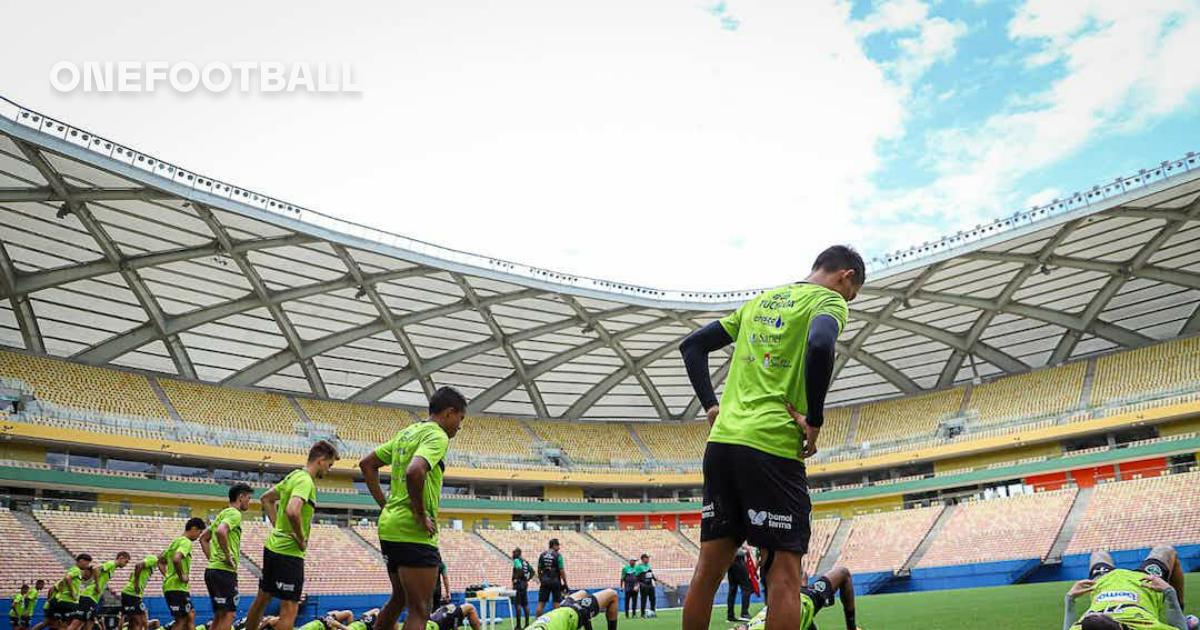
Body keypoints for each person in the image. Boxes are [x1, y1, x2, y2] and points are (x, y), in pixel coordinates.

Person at [678, 245, 861, 630]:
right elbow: (821, 344)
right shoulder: (828, 301)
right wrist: (815, 418)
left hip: (723, 445)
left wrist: (711, 405)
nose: (848, 301)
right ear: (845, 276)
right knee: (785, 577)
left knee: (707, 573)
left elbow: (692, 346)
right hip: (772, 448)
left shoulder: (760, 302)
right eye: (852, 293)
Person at [358, 386, 466, 630]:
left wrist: (385, 506)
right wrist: (420, 513)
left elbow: (367, 464)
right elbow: (414, 471)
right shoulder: (436, 435)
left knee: (398, 600)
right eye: (460, 419)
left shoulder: (406, 433)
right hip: (412, 531)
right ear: (450, 413)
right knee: (420, 609)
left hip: (390, 526)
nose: (459, 427)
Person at [244, 440, 340, 630]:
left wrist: (278, 528)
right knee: (289, 608)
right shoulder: (305, 481)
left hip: (272, 548)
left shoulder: (294, 476)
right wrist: (301, 538)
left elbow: (266, 498)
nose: (328, 470)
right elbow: (292, 510)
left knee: (262, 599)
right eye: (329, 465)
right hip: (289, 554)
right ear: (320, 461)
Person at [1063, 545, 1188, 630]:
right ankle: (1183, 613)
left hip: (1104, 582)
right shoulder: (1146, 627)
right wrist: (1169, 591)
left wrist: (1070, 599)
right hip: (1144, 583)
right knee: (1167, 550)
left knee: (1098, 554)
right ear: (1121, 626)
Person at [200, 483, 254, 630]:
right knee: (229, 615)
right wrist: (227, 555)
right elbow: (221, 532)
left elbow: (203, 538)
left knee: (219, 615)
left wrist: (213, 559)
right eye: (249, 498)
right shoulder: (234, 513)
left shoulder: (221, 514)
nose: (250, 501)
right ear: (241, 497)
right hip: (224, 572)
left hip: (213, 570)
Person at [735, 567, 858, 630]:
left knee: (802, 575)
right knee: (843, 573)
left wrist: (744, 626)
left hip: (790, 603)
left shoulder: (751, 625)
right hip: (802, 602)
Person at [159, 517, 206, 630]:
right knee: (182, 620)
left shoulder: (176, 542)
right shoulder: (186, 542)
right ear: (194, 529)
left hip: (172, 587)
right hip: (177, 588)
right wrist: (181, 576)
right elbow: (176, 558)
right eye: (199, 533)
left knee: (190, 615)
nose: (198, 536)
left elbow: (160, 560)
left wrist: (167, 575)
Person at [80, 553, 131, 630]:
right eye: (126, 561)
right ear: (121, 558)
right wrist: (97, 586)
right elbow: (95, 568)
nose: (126, 564)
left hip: (94, 598)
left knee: (90, 623)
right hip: (89, 595)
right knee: (78, 623)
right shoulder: (111, 564)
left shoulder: (112, 567)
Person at [526, 590, 617, 630]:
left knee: (583, 592)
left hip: (565, 609)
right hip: (570, 611)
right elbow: (584, 613)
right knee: (613, 595)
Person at [49, 554, 94, 630]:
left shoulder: (72, 569)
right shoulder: (76, 570)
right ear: (81, 561)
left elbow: (60, 584)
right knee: (76, 624)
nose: (87, 566)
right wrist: (72, 592)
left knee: (62, 625)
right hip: (69, 601)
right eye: (87, 563)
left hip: (63, 600)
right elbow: (68, 578)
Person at [120, 554, 159, 630]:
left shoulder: (152, 566)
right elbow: (138, 565)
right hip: (132, 594)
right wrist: (136, 584)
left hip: (131, 594)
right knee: (140, 622)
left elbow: (132, 575)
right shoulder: (154, 560)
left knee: (136, 622)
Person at [534, 540, 567, 617]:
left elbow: (539, 569)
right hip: (555, 581)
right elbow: (561, 570)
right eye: (558, 545)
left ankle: (536, 624)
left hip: (544, 581)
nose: (559, 548)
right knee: (556, 604)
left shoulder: (542, 555)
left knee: (541, 604)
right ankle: (557, 624)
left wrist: (541, 579)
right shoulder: (558, 556)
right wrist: (565, 583)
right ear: (554, 545)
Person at [727, 548, 754, 622]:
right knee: (747, 588)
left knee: (732, 590)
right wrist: (745, 551)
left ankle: (730, 615)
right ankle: (744, 613)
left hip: (730, 562)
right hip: (738, 561)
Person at [511, 549, 534, 630]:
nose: (512, 555)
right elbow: (532, 571)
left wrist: (517, 578)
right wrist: (527, 579)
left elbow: (519, 569)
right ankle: (527, 624)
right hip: (524, 585)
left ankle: (518, 626)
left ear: (517, 553)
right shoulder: (525, 562)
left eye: (513, 553)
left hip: (518, 585)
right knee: (525, 604)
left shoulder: (517, 560)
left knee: (518, 604)